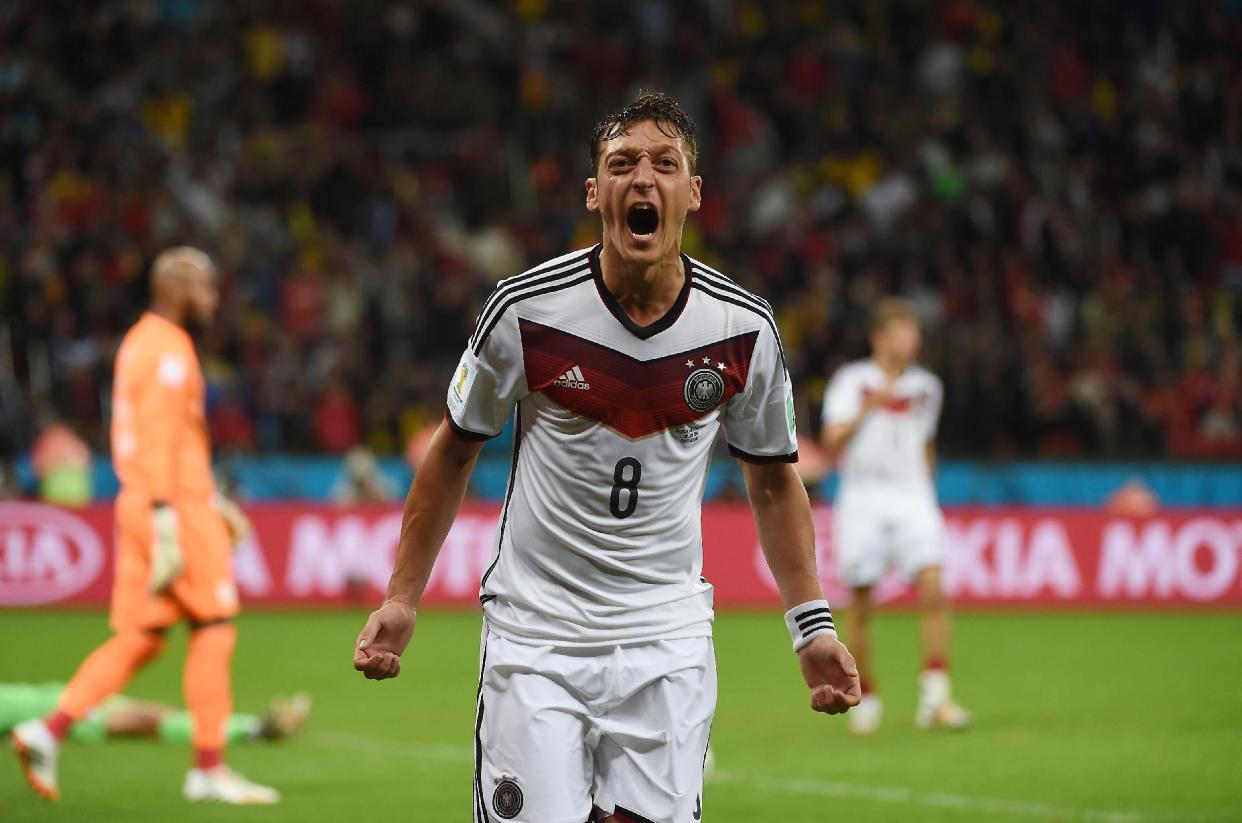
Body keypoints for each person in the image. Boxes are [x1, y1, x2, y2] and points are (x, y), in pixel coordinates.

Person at [353, 92, 860, 823]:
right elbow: (453, 450)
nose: (642, 179)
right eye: (621, 165)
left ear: (694, 192)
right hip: (537, 636)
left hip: (666, 641)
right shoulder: (526, 311)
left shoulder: (742, 329)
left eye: (665, 164)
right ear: (595, 193)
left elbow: (775, 482)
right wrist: (403, 596)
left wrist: (810, 624)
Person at [8, 247, 279, 804]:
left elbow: (171, 441)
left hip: (152, 500)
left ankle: (48, 730)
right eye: (205, 286)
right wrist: (166, 521)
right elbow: (157, 437)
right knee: (215, 624)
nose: (213, 298)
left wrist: (212, 500)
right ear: (177, 288)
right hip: (170, 508)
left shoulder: (139, 342)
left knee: (143, 638)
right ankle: (209, 769)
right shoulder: (169, 349)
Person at [820, 297, 971, 734]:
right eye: (902, 332)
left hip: (913, 497)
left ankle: (936, 699)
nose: (911, 341)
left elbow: (925, 442)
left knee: (934, 590)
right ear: (879, 338)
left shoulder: (927, 387)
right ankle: (865, 695)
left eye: (914, 333)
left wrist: (927, 484)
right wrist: (872, 405)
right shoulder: (852, 380)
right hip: (863, 498)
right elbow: (832, 439)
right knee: (862, 603)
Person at [0, 682, 310, 745]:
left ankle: (250, 728)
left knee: (155, 715)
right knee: (145, 721)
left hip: (61, 695)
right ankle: (251, 729)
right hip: (51, 711)